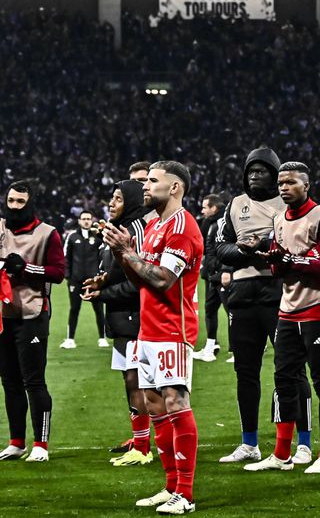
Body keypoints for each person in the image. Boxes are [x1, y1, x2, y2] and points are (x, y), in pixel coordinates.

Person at [101, 160, 203, 514]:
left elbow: (162, 280)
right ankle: (170, 486)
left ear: (174, 187)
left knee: (176, 404)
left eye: (153, 181)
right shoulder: (156, 224)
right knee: (156, 408)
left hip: (173, 330)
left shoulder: (181, 227)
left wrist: (127, 252)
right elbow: (141, 278)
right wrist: (121, 252)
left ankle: (185, 494)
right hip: (148, 329)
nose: (144, 187)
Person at [243, 162, 320, 474]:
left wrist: (291, 260)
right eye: (281, 184)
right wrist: (275, 261)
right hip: (288, 311)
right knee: (284, 380)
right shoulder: (278, 219)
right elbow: (280, 266)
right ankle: (281, 454)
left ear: (306, 185)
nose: (284, 188)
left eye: (290, 183)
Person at [215, 147, 313, 465]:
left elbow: (298, 243)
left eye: (262, 171)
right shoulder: (234, 206)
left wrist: (265, 245)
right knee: (246, 372)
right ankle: (249, 443)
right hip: (242, 297)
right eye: (251, 171)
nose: (255, 176)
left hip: (279, 293)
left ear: (275, 175)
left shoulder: (287, 205)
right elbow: (218, 247)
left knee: (292, 369)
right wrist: (245, 250)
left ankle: (304, 442)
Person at [81, 180, 153, 465]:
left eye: (118, 198)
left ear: (132, 202)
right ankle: (139, 440)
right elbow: (118, 271)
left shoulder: (133, 230)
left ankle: (143, 447)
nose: (111, 203)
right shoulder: (119, 227)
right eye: (111, 198)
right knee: (130, 379)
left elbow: (140, 281)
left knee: (137, 381)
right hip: (122, 318)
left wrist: (103, 293)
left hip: (136, 317)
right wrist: (102, 281)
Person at [0, 180, 65, 463]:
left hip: (32, 314)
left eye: (19, 202)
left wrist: (25, 268)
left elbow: (58, 273)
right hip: (3, 316)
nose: (14, 206)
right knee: (9, 381)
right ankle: (16, 442)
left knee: (34, 382)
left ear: (31, 203)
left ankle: (41, 443)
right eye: (11, 201)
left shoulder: (48, 234)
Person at [62, 210, 107, 349]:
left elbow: (104, 255)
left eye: (88, 218)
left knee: (99, 309)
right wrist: (68, 276)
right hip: (76, 280)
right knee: (74, 308)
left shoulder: (98, 237)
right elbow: (66, 257)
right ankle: (70, 339)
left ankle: (102, 338)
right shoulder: (72, 236)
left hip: (94, 280)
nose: (86, 221)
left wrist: (101, 274)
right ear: (80, 221)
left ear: (91, 220)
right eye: (84, 219)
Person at [194, 194, 226, 362]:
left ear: (214, 208)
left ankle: (238, 351)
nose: (202, 210)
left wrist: (220, 270)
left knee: (232, 313)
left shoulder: (224, 223)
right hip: (213, 275)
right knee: (210, 310)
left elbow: (220, 249)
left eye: (205, 207)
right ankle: (210, 346)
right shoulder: (210, 223)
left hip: (223, 275)